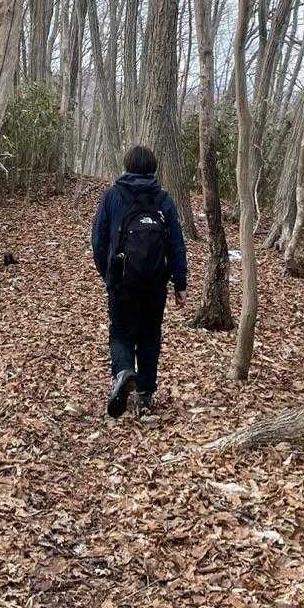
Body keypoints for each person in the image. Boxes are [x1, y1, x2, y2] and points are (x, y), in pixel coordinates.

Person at [91, 145, 188, 419]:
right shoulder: (163, 199)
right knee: (149, 336)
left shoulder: (113, 195)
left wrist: (108, 274)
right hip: (155, 282)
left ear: (127, 166)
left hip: (121, 280)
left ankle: (123, 371)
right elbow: (176, 243)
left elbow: (98, 240)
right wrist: (180, 283)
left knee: (121, 332)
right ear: (153, 168)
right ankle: (145, 395)